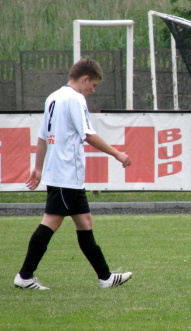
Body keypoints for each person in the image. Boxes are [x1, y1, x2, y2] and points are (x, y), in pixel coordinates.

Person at [14, 58, 133, 290]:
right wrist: (117, 153)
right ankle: (25, 276)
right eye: (94, 85)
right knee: (51, 221)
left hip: (65, 174)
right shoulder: (75, 99)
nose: (93, 90)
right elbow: (88, 134)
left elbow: (42, 136)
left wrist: (38, 167)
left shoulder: (53, 97)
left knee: (84, 222)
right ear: (85, 78)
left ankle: (105, 278)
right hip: (66, 173)